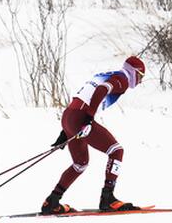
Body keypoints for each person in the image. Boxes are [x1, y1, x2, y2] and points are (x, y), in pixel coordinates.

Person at [42, 56, 146, 214]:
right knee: (116, 151)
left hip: (69, 116)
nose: (140, 81)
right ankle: (108, 199)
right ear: (133, 72)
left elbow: (85, 96)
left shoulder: (110, 74)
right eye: (140, 76)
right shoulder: (122, 79)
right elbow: (102, 89)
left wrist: (66, 129)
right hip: (81, 117)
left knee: (80, 163)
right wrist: (89, 119)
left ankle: (52, 201)